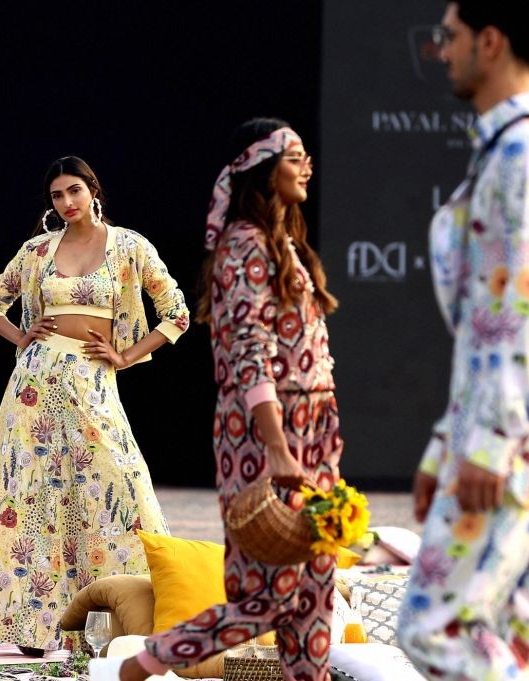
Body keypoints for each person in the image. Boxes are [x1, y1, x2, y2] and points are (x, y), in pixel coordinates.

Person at [90, 117, 343, 681]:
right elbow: (248, 353)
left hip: (312, 428)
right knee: (270, 598)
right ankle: (148, 661)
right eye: (294, 155)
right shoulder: (243, 246)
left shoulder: (283, 245)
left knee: (316, 592)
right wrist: (277, 446)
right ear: (260, 167)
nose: (308, 165)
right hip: (266, 431)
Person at [396, 3, 529, 680]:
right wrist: (448, 441)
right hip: (524, 426)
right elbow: (497, 323)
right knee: (509, 634)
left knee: (433, 627)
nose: (441, 50)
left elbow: (524, 310)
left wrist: (482, 443)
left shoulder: (524, 152)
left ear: (490, 40)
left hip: (514, 432)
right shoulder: (519, 148)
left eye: (449, 36)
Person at [0, 155, 190, 655]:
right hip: (34, 384)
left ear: (93, 191)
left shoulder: (130, 247)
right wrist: (19, 334)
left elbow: (176, 312)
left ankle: (150, 614)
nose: (67, 202)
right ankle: (31, 627)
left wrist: (125, 356)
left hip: (92, 382)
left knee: (116, 484)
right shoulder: (38, 250)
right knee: (28, 499)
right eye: (57, 195)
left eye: (74, 190)